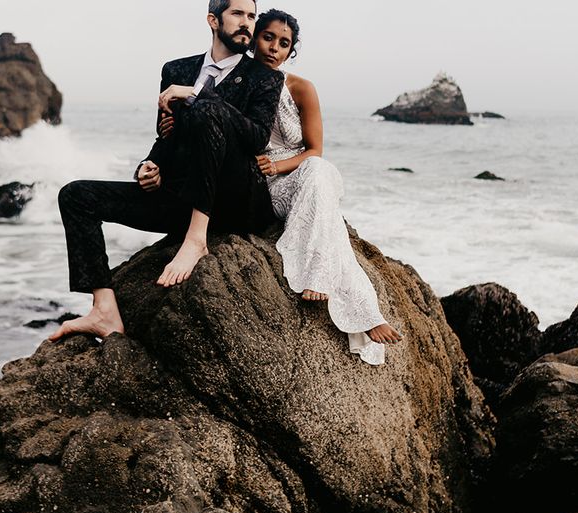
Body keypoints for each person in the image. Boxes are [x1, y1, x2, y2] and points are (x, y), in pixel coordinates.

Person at [49, 0, 284, 342]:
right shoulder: (175, 70)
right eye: (237, 14)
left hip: (236, 202)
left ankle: (195, 241)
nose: (247, 23)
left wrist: (198, 96)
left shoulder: (264, 77)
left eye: (251, 15)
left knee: (206, 112)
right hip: (179, 197)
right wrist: (149, 166)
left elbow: (257, 137)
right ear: (213, 20)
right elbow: (166, 137)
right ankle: (103, 309)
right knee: (75, 195)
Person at [251, 9, 403, 364]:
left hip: (300, 168)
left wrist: (278, 163)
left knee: (319, 170)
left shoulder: (301, 88)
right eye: (268, 37)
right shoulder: (239, 83)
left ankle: (319, 276)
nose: (274, 47)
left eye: (284, 43)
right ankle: (367, 315)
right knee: (329, 216)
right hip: (270, 185)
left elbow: (314, 149)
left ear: (292, 51)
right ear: (255, 37)